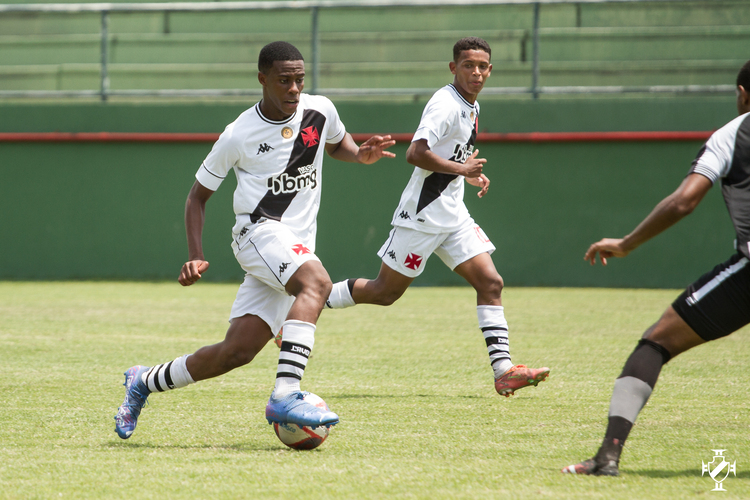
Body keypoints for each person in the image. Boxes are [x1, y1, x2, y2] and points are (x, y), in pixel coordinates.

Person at [114, 41, 396, 439]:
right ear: (262, 79)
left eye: (299, 79)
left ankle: (143, 380)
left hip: (294, 246)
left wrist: (360, 154)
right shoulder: (238, 134)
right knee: (316, 283)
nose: (294, 88)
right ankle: (286, 394)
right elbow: (197, 197)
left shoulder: (320, 110)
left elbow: (338, 145)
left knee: (236, 352)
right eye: (284, 80)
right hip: (258, 234)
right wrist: (195, 253)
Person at [323, 37, 550, 397]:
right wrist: (461, 169)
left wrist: (466, 174)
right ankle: (305, 304)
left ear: (490, 70)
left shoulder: (471, 105)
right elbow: (416, 153)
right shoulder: (445, 104)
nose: (476, 72)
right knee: (384, 292)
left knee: (491, 283)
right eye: (468, 65)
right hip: (423, 215)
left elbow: (451, 156)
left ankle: (504, 371)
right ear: (453, 68)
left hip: (453, 215)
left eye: (482, 66)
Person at [562, 59, 750, 476]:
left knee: (657, 342)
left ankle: (607, 457)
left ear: (742, 94)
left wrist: (626, 243)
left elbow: (684, 201)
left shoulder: (734, 134)